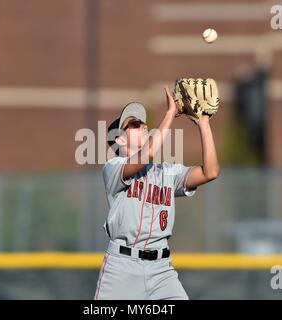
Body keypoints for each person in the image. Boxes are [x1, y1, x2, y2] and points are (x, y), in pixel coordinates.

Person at [94, 85, 220, 300]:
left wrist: (203, 123)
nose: (143, 126)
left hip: (162, 270)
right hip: (122, 267)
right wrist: (170, 113)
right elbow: (148, 154)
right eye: (134, 124)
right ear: (120, 139)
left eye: (143, 123)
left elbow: (211, 171)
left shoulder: (167, 172)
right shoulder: (113, 167)